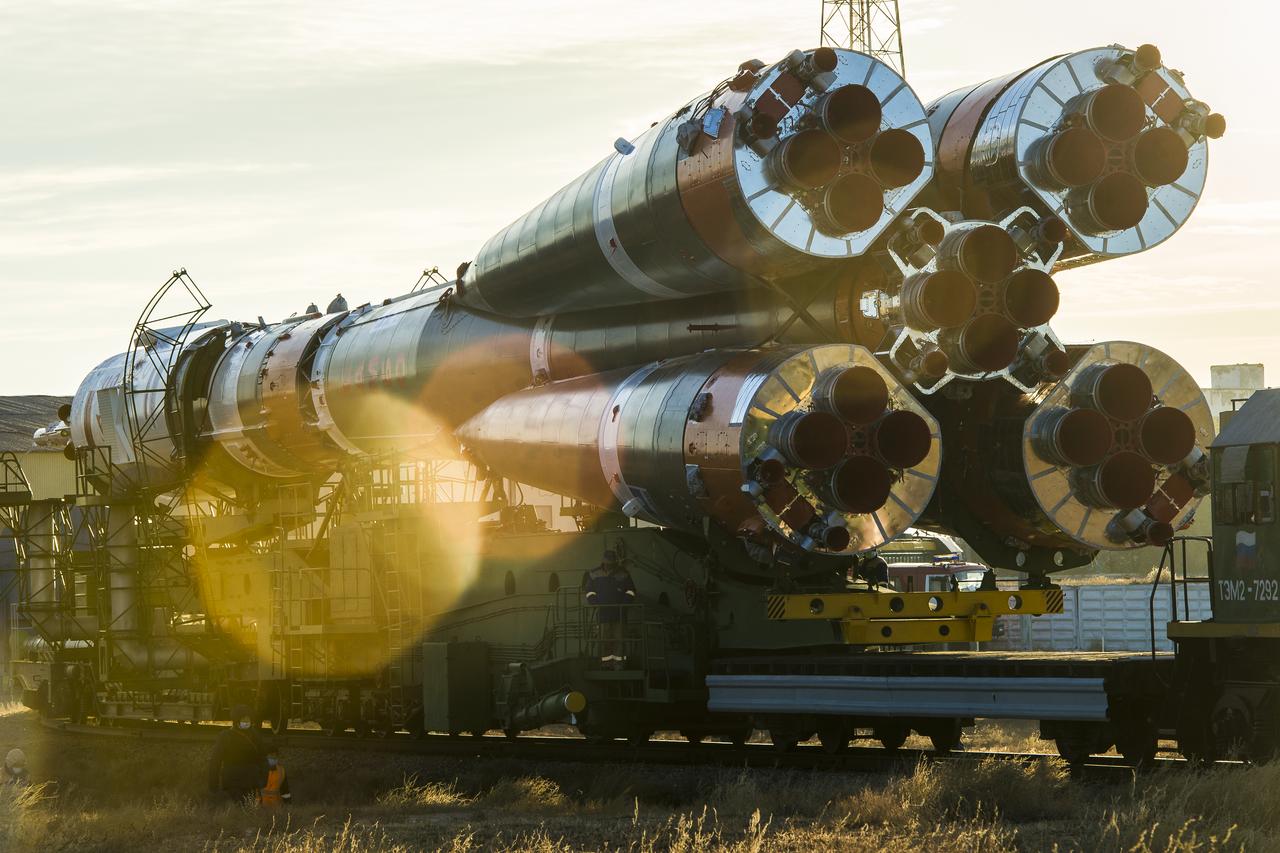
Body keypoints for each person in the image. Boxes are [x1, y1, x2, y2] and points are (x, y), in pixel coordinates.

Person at [582, 550, 636, 667]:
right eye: (608, 562)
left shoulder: (623, 574)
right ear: (604, 561)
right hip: (603, 614)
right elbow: (589, 591)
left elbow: (631, 591)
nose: (609, 565)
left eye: (611, 562)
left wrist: (623, 604)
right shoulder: (594, 573)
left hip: (619, 614)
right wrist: (595, 603)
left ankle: (618, 664)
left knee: (619, 640)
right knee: (604, 640)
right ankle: (606, 665)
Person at [208, 704, 267, 803]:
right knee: (245, 807)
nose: (246, 722)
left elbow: (262, 758)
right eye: (244, 720)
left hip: (246, 780)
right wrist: (213, 783)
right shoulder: (253, 736)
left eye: (248, 720)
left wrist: (263, 779)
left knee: (242, 807)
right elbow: (215, 761)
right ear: (236, 721)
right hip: (237, 781)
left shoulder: (254, 736)